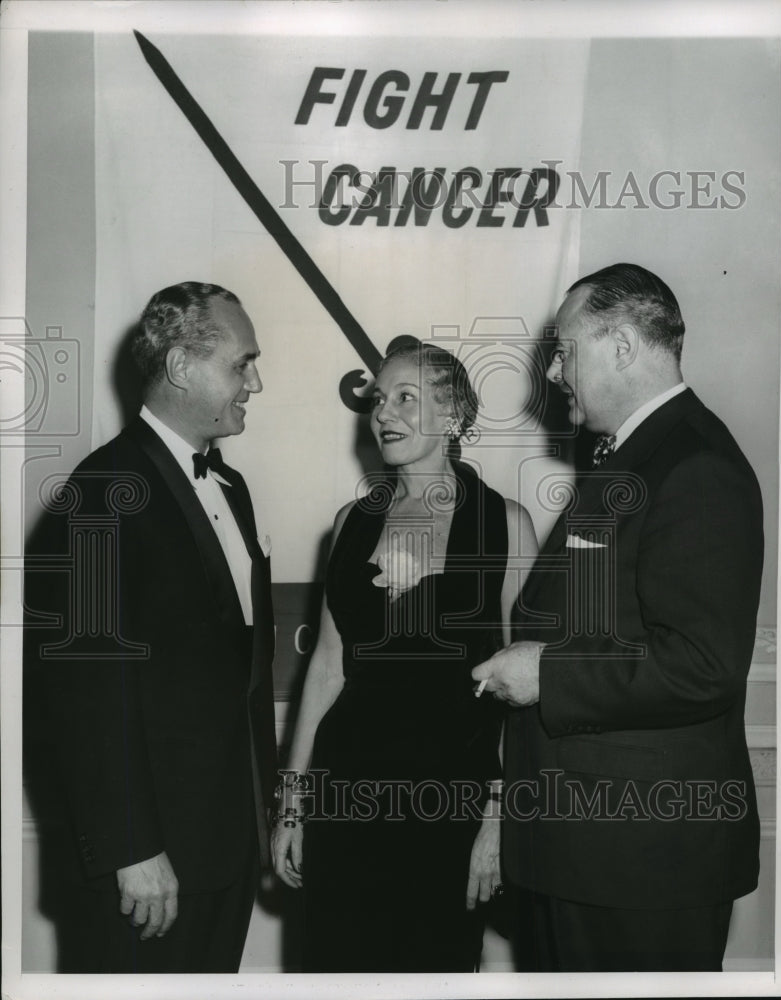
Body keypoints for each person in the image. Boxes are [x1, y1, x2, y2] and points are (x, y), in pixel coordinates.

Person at [473, 263, 763, 972]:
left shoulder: (693, 465)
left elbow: (705, 666)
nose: (553, 369)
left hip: (638, 866)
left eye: (566, 349)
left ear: (624, 347)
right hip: (585, 856)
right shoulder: (629, 458)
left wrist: (547, 672)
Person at [24, 281, 277, 973]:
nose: (255, 382)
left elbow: (237, 676)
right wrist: (131, 848)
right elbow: (83, 693)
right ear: (180, 368)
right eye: (241, 363)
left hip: (225, 845)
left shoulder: (233, 490)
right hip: (149, 863)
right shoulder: (102, 491)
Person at [271, 341, 537, 972]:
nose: (384, 412)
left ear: (453, 416)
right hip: (346, 794)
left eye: (406, 398)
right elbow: (328, 668)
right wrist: (293, 803)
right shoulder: (352, 522)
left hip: (452, 804)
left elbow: (526, 689)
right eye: (379, 399)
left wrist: (500, 822)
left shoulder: (506, 523)